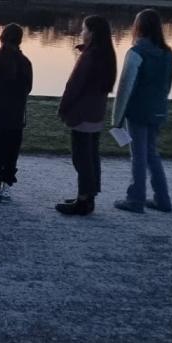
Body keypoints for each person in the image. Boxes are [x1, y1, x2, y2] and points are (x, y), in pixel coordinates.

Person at [112, 9, 172, 214]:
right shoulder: (167, 53)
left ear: (139, 27)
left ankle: (135, 199)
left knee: (138, 156)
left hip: (138, 111)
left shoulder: (136, 53)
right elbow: (167, 85)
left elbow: (125, 87)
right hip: (158, 110)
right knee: (152, 154)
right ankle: (162, 199)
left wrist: (116, 119)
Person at [55, 16, 117, 216]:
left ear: (92, 33)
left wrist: (63, 107)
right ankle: (89, 195)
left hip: (83, 112)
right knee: (91, 156)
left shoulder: (90, 57)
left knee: (81, 157)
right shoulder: (106, 55)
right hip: (96, 112)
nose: (82, 32)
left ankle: (83, 199)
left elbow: (74, 85)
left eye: (84, 29)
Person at [0, 24, 33, 203]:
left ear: (2, 38)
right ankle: (7, 184)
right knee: (11, 151)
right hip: (16, 114)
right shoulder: (25, 63)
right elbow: (28, 88)